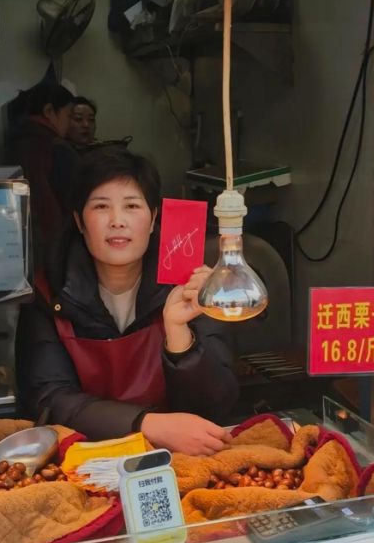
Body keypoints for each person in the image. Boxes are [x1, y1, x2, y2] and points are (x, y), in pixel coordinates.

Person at [16, 148, 239, 456]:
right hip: (84, 461)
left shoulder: (192, 284)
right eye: (101, 206)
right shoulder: (48, 291)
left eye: (132, 206)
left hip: (179, 460)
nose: (117, 221)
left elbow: (217, 405)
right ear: (79, 221)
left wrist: (179, 336)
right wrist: (145, 425)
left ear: (153, 219)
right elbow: (48, 400)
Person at [9, 82, 77, 263]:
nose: (70, 124)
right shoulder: (55, 147)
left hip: (18, 243)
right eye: (69, 115)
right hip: (51, 246)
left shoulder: (16, 142)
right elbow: (72, 200)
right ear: (49, 111)